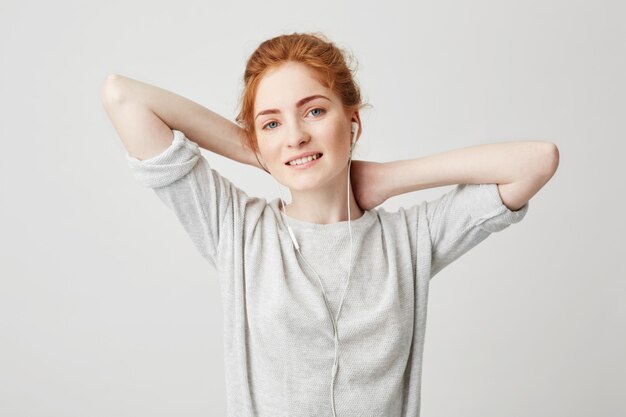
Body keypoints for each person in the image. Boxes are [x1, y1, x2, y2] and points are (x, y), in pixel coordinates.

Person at [102, 31, 557, 417]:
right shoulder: (237, 230)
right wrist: (264, 155)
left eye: (314, 111)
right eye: (272, 123)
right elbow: (122, 96)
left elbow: (536, 161)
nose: (297, 134)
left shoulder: (409, 240)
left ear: (352, 122)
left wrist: (385, 178)